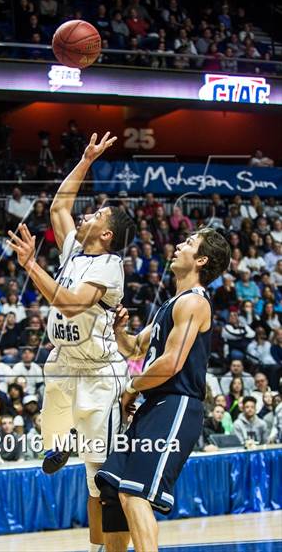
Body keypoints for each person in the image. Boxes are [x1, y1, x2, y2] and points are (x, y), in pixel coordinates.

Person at [8, 131, 136, 552]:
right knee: (63, 446)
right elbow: (60, 205)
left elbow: (72, 304)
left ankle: (109, 545)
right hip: (65, 364)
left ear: (107, 236)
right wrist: (86, 159)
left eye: (97, 215)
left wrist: (30, 265)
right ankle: (61, 442)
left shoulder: (111, 265)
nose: (86, 215)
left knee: (99, 476)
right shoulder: (73, 253)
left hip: (100, 374)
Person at [94, 228, 231, 552]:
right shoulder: (169, 306)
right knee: (112, 491)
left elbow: (170, 364)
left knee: (134, 493)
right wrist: (120, 329)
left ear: (201, 259)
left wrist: (130, 387)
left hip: (177, 404)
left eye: (188, 243)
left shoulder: (194, 303)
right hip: (154, 405)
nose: (178, 245)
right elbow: (134, 349)